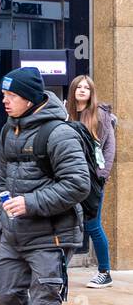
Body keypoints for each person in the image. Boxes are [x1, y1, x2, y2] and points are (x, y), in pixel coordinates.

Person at [0, 67, 88, 305]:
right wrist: (3, 216)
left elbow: (78, 184)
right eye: (4, 94)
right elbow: (4, 179)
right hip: (15, 232)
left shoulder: (59, 134)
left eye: (12, 96)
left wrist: (30, 203)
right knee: (7, 294)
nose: (5, 101)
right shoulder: (10, 129)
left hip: (52, 235)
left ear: (31, 99)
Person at [67, 74, 116, 288]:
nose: (82, 90)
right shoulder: (65, 114)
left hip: (91, 179)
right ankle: (57, 269)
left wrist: (101, 174)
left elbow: (109, 148)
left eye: (86, 87)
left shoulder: (100, 115)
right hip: (67, 177)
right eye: (79, 87)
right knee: (64, 224)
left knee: (93, 225)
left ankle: (105, 272)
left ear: (91, 92)